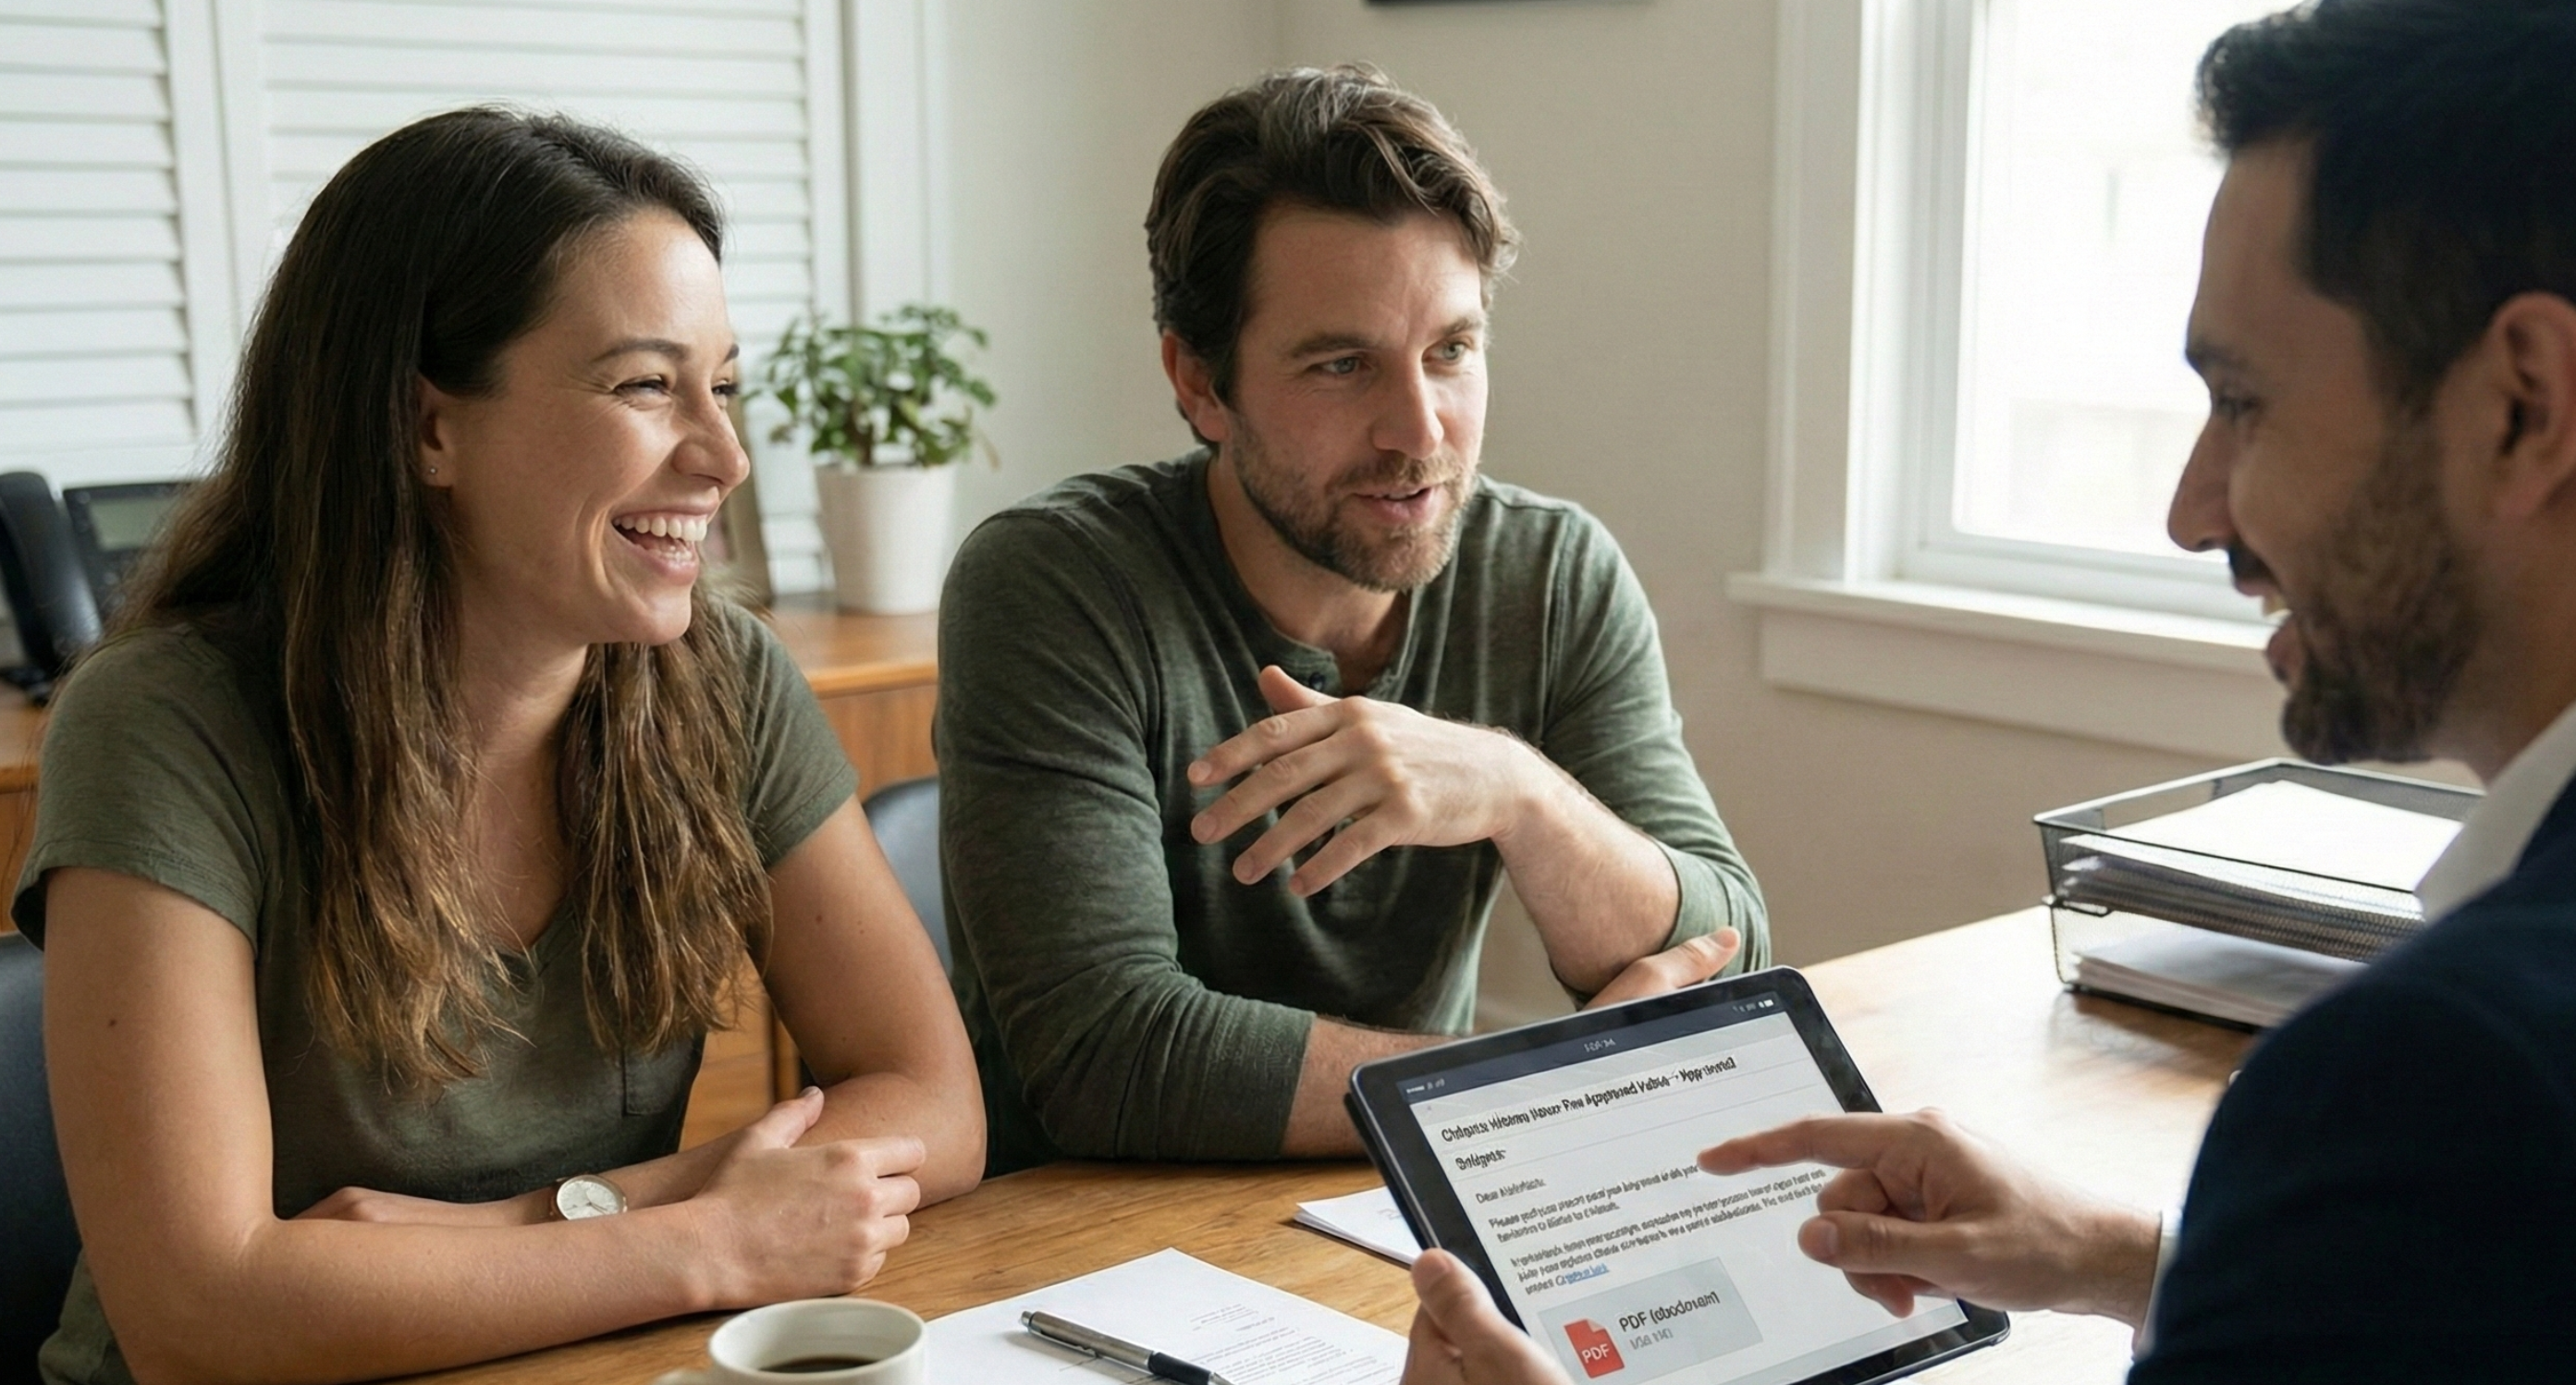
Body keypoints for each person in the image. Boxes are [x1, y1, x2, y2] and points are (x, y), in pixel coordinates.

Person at [1394, 1, 2576, 1380]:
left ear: (2522, 407)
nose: (2193, 512)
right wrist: (2137, 1259)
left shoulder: (2432, 1077)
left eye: (2242, 403)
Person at [26, 109, 984, 1385]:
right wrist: (709, 1236)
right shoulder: (165, 723)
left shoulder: (723, 677)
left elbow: (933, 1100)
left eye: (724, 384)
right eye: (646, 384)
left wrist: (536, 1221)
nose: (724, 455)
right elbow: (200, 1313)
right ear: (428, 426)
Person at [937, 66, 1769, 1175]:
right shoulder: (1055, 585)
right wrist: (1533, 1086)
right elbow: (1106, 1055)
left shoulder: (1551, 573)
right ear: (1197, 381)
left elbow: (1729, 957)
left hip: (1396, 1201)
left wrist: (1516, 793)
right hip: (1083, 1245)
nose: (1417, 430)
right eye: (1341, 364)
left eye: (1451, 351)